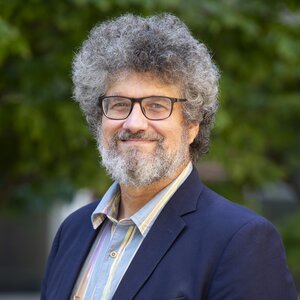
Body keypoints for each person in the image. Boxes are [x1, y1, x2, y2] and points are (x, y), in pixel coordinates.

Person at [41, 14, 297, 300]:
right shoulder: (72, 232)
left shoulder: (240, 241)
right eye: (119, 104)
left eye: (156, 105)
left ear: (191, 125)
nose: (134, 123)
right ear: (98, 117)